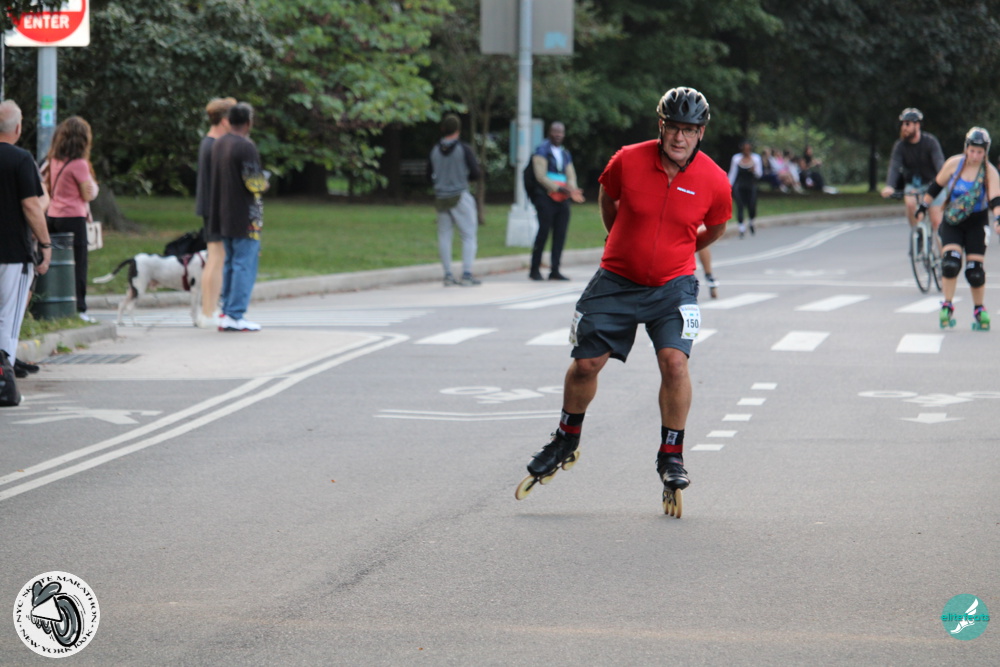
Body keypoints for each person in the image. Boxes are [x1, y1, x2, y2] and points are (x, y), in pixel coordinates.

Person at [515, 87, 731, 510]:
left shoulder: (715, 180)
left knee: (675, 362)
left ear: (701, 133)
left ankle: (671, 455)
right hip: (615, 280)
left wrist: (682, 249)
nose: (680, 137)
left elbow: (718, 226)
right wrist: (619, 236)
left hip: (673, 285)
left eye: (689, 130)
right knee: (585, 364)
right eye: (673, 127)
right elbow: (606, 196)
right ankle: (566, 439)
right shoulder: (627, 160)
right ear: (661, 126)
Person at [916, 127, 1000, 331]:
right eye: (972, 151)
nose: (975, 156)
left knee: (974, 272)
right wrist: (923, 206)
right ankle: (947, 305)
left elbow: (995, 199)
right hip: (953, 221)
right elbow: (936, 186)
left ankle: (979, 309)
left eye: (980, 152)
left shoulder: (989, 172)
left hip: (977, 222)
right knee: (950, 264)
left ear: (985, 152)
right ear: (966, 148)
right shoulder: (954, 164)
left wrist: (998, 218)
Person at [0, 101, 52, 405]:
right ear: (18, 128)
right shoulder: (21, 160)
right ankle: (4, 382)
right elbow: (32, 205)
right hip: (12, 254)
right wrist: (45, 245)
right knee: (8, 318)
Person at [209, 102, 267, 332]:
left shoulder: (219, 143)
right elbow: (254, 183)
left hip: (224, 213)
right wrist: (264, 182)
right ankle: (236, 314)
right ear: (248, 122)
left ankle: (226, 311)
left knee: (230, 264)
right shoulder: (246, 146)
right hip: (246, 216)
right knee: (244, 265)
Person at [42, 116, 99, 321]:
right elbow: (87, 195)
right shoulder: (79, 164)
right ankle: (79, 309)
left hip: (53, 216)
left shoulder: (54, 160)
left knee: (58, 263)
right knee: (78, 264)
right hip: (73, 218)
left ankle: (55, 303)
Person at [194, 97, 236, 329]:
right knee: (216, 259)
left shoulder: (209, 143)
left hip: (211, 207)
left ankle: (209, 309)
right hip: (215, 208)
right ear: (224, 120)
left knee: (215, 258)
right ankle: (208, 311)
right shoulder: (214, 145)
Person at [427, 114, 482, 286]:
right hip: (460, 196)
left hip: (441, 197)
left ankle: (448, 275)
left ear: (443, 129)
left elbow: (428, 175)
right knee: (468, 235)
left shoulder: (434, 150)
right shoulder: (464, 149)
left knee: (444, 236)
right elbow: (476, 173)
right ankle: (466, 274)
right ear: (458, 130)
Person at [528, 121, 585, 281]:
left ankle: (555, 269)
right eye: (555, 132)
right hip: (546, 197)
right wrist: (558, 188)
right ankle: (534, 269)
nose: (558, 135)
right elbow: (540, 176)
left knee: (560, 234)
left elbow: (571, 174)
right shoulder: (542, 151)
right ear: (549, 133)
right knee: (543, 232)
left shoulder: (564, 153)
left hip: (563, 199)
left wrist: (572, 189)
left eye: (561, 132)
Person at [881, 107, 945, 231]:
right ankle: (916, 232)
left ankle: (939, 242)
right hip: (913, 185)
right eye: (902, 124)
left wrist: (943, 180)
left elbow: (939, 163)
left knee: (937, 222)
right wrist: (890, 186)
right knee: (910, 203)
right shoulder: (900, 146)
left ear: (917, 125)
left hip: (932, 184)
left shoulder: (930, 142)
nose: (904, 127)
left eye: (907, 124)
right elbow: (894, 166)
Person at [727, 139, 762, 237]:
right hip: (739, 186)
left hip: (751, 185)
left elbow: (759, 174)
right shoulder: (736, 158)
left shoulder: (756, 158)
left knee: (752, 205)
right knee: (740, 206)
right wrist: (728, 186)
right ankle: (741, 227)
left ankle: (751, 222)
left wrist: (754, 170)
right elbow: (732, 173)